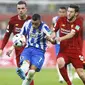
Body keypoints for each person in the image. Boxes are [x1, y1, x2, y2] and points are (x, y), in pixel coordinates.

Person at [0, 1, 34, 85]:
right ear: (16, 9)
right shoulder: (12, 20)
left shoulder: (31, 20)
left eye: (22, 8)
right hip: (18, 50)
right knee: (23, 72)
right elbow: (7, 36)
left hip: (29, 49)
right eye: (19, 9)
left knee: (27, 72)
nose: (21, 10)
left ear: (26, 9)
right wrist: (1, 48)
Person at [17, 14, 55, 85]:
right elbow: (20, 35)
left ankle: (22, 70)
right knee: (26, 63)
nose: (34, 25)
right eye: (33, 23)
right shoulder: (27, 24)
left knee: (31, 72)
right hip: (28, 49)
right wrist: (19, 42)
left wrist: (50, 39)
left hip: (39, 51)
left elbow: (53, 40)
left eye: (36, 24)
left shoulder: (44, 27)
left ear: (40, 21)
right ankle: (22, 70)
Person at [53, 4, 85, 85]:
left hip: (75, 51)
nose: (68, 13)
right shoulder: (60, 20)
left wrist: (60, 39)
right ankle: (69, 83)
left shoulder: (79, 22)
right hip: (63, 51)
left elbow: (71, 34)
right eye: (68, 11)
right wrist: (50, 37)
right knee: (60, 62)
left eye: (71, 12)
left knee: (81, 74)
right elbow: (54, 31)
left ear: (76, 13)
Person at [52, 7, 73, 83]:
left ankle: (70, 75)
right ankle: (61, 76)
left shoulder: (69, 20)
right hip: (58, 43)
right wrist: (52, 37)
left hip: (67, 43)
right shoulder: (55, 19)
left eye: (63, 12)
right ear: (58, 12)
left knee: (69, 61)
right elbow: (53, 28)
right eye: (60, 12)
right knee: (59, 60)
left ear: (66, 12)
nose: (62, 14)